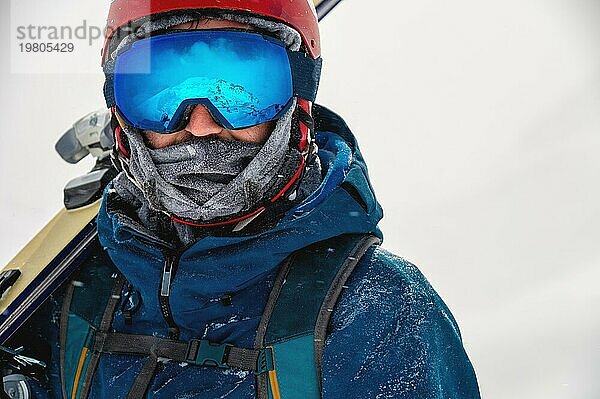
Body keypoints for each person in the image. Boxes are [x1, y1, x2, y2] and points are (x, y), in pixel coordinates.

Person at [3, 0, 481, 398]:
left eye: (239, 88)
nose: (200, 122)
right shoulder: (72, 293)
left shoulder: (378, 315)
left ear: (299, 101)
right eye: (160, 89)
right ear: (119, 109)